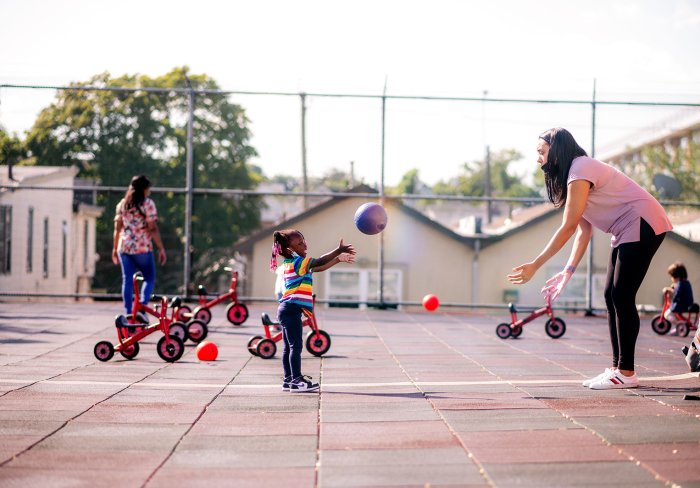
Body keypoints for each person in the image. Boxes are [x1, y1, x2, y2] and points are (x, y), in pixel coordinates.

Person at [507, 128, 672, 390]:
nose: (538, 159)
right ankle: (619, 368)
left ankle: (626, 372)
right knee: (610, 295)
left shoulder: (581, 168)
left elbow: (568, 226)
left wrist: (536, 264)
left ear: (556, 151)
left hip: (643, 221)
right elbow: (583, 231)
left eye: (541, 152)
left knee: (621, 295)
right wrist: (568, 271)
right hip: (625, 228)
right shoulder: (571, 178)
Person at [270, 229, 355, 392]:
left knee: (288, 347)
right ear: (290, 249)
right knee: (295, 347)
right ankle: (296, 380)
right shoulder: (298, 263)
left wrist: (338, 259)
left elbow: (318, 268)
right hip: (291, 309)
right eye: (300, 243)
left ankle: (289, 380)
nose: (305, 244)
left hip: (286, 309)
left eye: (304, 240)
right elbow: (319, 261)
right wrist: (338, 250)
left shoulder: (293, 263)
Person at [112, 175, 167, 316]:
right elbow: (153, 228)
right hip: (142, 247)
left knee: (128, 280)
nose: (149, 191)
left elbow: (117, 228)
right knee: (149, 277)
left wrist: (114, 248)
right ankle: (142, 308)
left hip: (124, 247)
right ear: (144, 189)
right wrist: (161, 248)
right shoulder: (148, 204)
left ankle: (129, 313)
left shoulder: (123, 204)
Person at [662, 261, 694, 334]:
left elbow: (678, 293)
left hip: (680, 305)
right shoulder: (686, 282)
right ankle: (679, 327)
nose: (671, 279)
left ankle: (680, 324)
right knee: (675, 315)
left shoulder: (680, 283)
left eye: (672, 276)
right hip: (687, 304)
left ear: (677, 276)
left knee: (667, 314)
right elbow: (681, 291)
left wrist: (669, 291)